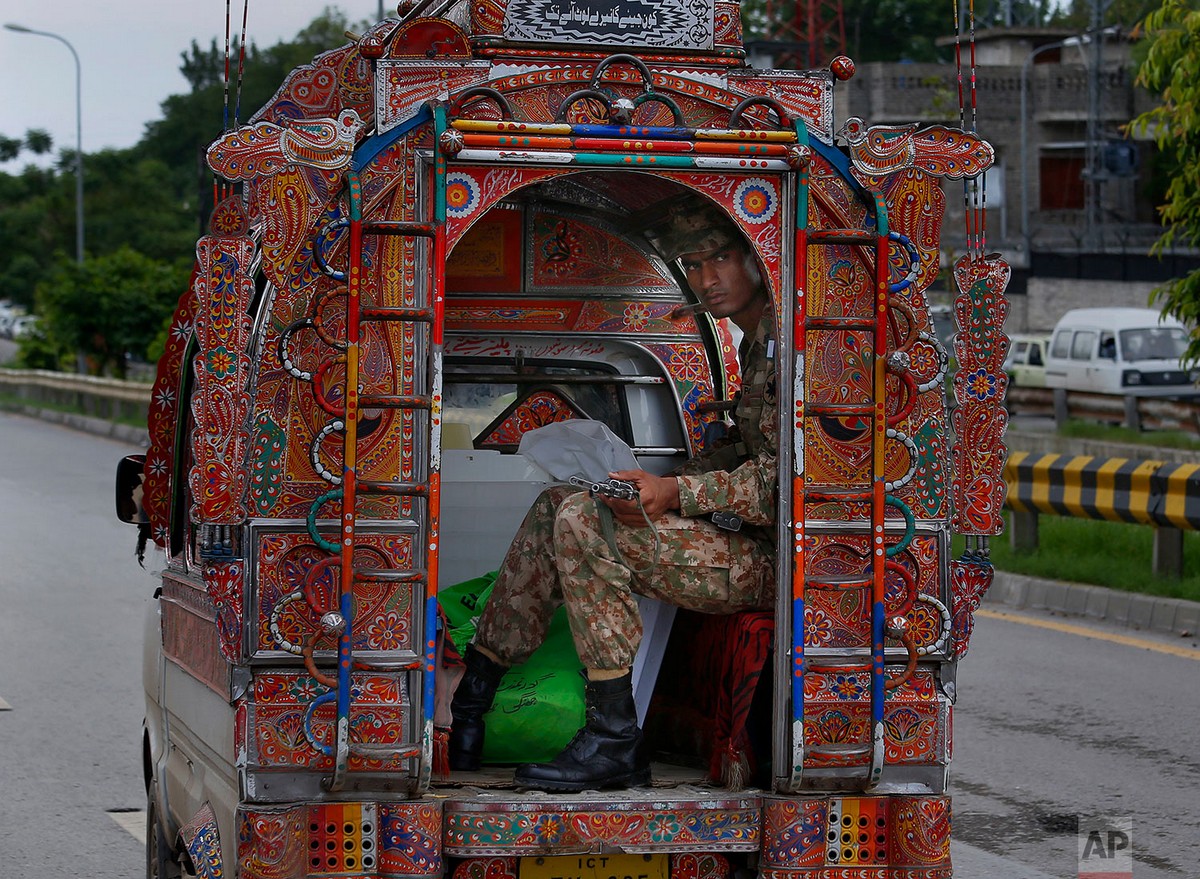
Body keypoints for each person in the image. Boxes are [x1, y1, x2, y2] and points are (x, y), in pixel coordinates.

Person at [448, 197, 779, 792]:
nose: (708, 279)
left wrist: (674, 490)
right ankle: (473, 702)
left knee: (583, 517)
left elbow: (783, 482)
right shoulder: (759, 345)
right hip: (736, 542)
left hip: (778, 561)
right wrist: (643, 483)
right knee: (559, 503)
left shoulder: (796, 344)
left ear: (758, 260)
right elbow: (741, 456)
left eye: (721, 259)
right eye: (695, 266)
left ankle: (614, 739)